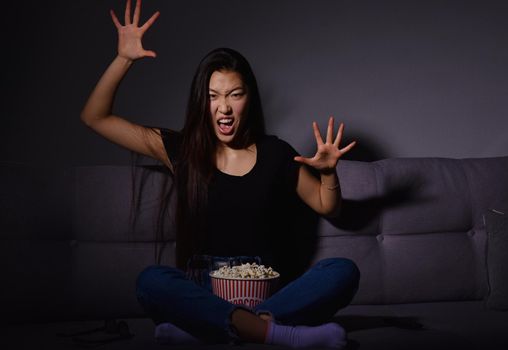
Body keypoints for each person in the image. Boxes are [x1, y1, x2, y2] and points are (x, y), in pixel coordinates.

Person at [80, 0, 360, 348]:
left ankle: (209, 331)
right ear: (202, 101)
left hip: (264, 292)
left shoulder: (276, 153)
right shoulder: (181, 149)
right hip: (201, 291)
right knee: (151, 280)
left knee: (343, 272)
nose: (224, 107)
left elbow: (326, 205)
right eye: (213, 96)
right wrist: (123, 59)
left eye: (234, 95)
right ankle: (274, 333)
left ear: (249, 99)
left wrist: (330, 173)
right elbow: (95, 117)